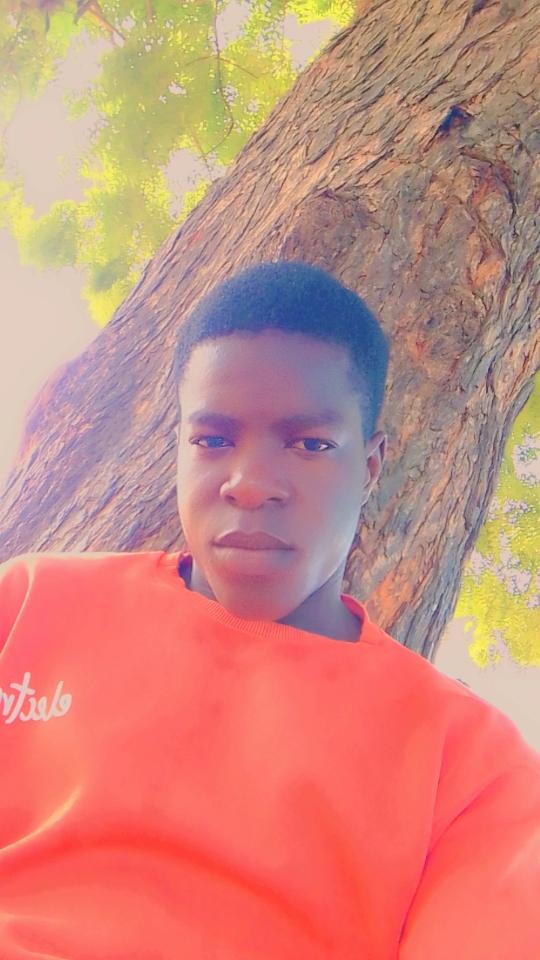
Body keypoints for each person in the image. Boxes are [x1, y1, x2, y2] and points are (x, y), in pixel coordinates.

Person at [0, 261, 538, 959]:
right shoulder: (29, 605)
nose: (250, 484)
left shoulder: (470, 764)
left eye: (310, 444)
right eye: (212, 440)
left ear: (370, 467)